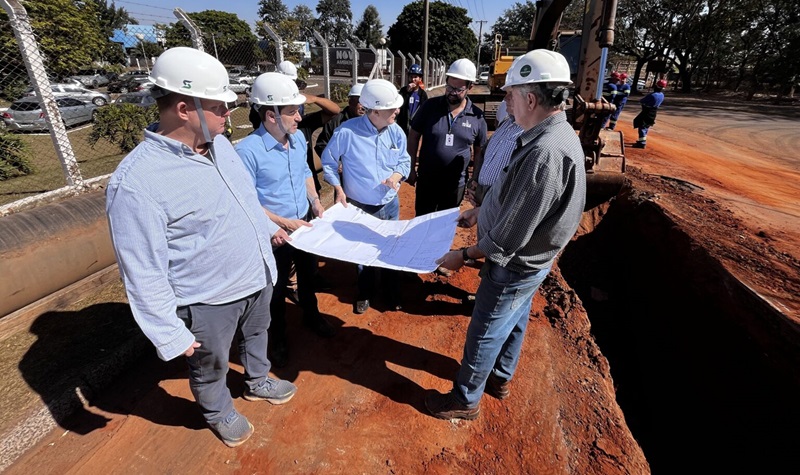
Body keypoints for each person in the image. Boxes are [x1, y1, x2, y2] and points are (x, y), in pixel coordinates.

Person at [105, 47, 296, 447]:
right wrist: (168, 332)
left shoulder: (219, 145)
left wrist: (268, 229)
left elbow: (243, 199)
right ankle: (218, 411)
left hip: (256, 274)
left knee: (258, 334)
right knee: (210, 364)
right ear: (183, 109)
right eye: (219, 107)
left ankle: (257, 380)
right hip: (207, 299)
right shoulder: (137, 182)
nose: (230, 113)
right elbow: (141, 269)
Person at [424, 49, 586, 420]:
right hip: (530, 261)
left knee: (485, 329)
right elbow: (520, 199)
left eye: (510, 95)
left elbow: (507, 239)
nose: (505, 102)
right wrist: (482, 211)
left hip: (514, 263)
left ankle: (464, 400)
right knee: (515, 316)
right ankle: (499, 377)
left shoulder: (544, 152)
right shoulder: (553, 134)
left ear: (531, 99)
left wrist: (462, 256)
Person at [236, 73, 337, 369]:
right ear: (271, 115)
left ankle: (311, 316)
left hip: (303, 224)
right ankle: (277, 337)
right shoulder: (246, 152)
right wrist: (284, 224)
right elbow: (247, 203)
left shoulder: (297, 139)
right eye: (292, 111)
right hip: (274, 235)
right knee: (276, 290)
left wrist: (315, 201)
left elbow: (305, 173)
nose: (299, 117)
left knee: (308, 276)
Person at [320, 79, 411, 314]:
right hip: (360, 206)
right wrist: (338, 189)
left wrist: (397, 176)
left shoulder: (396, 131)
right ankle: (365, 292)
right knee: (362, 253)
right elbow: (328, 162)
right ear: (376, 111)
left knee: (390, 247)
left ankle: (391, 291)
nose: (397, 111)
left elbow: (404, 160)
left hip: (389, 204)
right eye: (392, 108)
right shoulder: (347, 132)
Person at [407, 58, 488, 217]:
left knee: (446, 225)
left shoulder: (477, 117)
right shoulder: (430, 107)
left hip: (455, 185)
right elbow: (413, 135)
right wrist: (410, 168)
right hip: (427, 181)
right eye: (449, 87)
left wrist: (475, 178)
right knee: (421, 223)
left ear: (470, 87)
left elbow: (480, 150)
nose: (452, 92)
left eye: (458, 89)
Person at [465, 90, 524, 207]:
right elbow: (485, 154)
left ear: (530, 99)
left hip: (500, 211)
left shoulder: (531, 134)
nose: (505, 98)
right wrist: (474, 181)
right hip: (484, 208)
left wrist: (482, 193)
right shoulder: (506, 123)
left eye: (512, 94)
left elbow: (520, 190)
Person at [314, 83, 365, 160]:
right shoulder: (335, 122)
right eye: (359, 102)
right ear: (350, 102)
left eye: (366, 103)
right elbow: (321, 145)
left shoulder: (372, 122)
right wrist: (336, 163)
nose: (363, 107)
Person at [632, 78, 667, 148]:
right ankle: (642, 140)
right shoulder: (662, 95)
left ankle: (642, 143)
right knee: (646, 126)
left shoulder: (652, 95)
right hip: (653, 112)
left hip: (647, 112)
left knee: (642, 126)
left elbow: (642, 101)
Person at [397, 63, 428, 135]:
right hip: (403, 126)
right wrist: (407, 93)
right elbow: (399, 105)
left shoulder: (422, 94)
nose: (413, 79)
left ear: (420, 79)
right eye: (411, 77)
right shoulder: (403, 91)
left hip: (416, 128)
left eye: (415, 77)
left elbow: (425, 111)